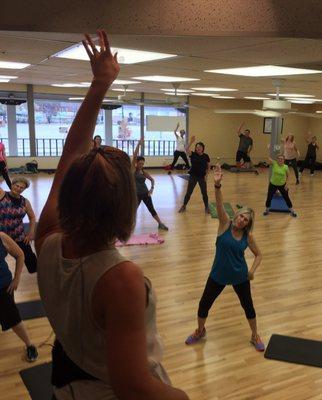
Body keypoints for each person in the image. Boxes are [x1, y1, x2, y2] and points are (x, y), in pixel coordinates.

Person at [35, 30, 189, 400]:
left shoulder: (48, 241)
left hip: (68, 383)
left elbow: (69, 157)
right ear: (124, 204)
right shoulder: (120, 278)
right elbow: (133, 387)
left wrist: (100, 84)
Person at [185, 165, 265, 352]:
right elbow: (219, 204)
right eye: (241, 216)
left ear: (248, 224)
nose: (242, 220)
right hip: (218, 275)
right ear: (236, 214)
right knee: (204, 304)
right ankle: (200, 330)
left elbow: (259, 255)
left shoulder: (248, 237)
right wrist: (217, 185)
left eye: (246, 220)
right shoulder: (224, 224)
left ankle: (255, 335)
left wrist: (251, 271)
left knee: (249, 307)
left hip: (240, 276)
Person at [0, 231, 38, 362]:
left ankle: (30, 345)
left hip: (3, 286)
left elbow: (20, 255)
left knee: (13, 318)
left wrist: (16, 279)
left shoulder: (1, 237)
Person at [0, 177, 38, 274]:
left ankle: (37, 274)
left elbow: (32, 217)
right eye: (17, 186)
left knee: (30, 257)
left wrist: (30, 233)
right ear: (12, 185)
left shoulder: (25, 202)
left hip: (18, 235)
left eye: (22, 187)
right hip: (2, 237)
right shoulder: (3, 195)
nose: (18, 188)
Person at [132, 139, 168, 230]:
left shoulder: (144, 172)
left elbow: (152, 180)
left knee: (151, 209)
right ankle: (127, 226)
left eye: (142, 164)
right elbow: (135, 156)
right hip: (136, 195)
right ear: (136, 163)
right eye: (140, 163)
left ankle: (160, 224)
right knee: (132, 212)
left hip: (145, 194)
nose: (141, 165)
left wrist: (152, 189)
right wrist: (138, 145)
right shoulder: (133, 170)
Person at [178, 135, 210, 213]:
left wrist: (206, 175)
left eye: (200, 147)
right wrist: (191, 142)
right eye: (197, 147)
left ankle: (206, 207)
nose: (198, 148)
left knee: (204, 193)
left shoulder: (206, 156)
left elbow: (208, 167)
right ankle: (184, 206)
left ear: (203, 148)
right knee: (189, 192)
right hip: (193, 176)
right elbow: (186, 149)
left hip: (202, 177)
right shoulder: (193, 154)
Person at [263, 152, 297, 217]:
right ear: (277, 159)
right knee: (269, 197)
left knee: (286, 197)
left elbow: (288, 176)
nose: (280, 160)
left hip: (282, 185)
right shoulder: (274, 163)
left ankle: (292, 211)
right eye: (279, 158)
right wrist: (268, 149)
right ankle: (267, 210)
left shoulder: (286, 167)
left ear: (284, 160)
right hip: (273, 184)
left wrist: (287, 185)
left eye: (282, 159)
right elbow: (268, 157)